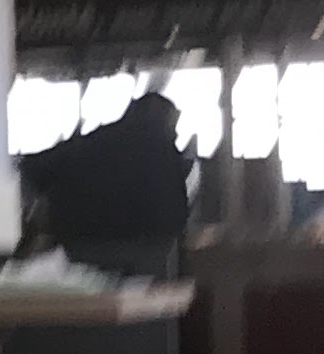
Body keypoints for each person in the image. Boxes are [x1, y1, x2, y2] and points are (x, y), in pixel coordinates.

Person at [18, 86, 193, 269]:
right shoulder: (166, 156)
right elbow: (178, 212)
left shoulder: (92, 142)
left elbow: (32, 167)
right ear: (166, 122)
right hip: (148, 251)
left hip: (81, 248)